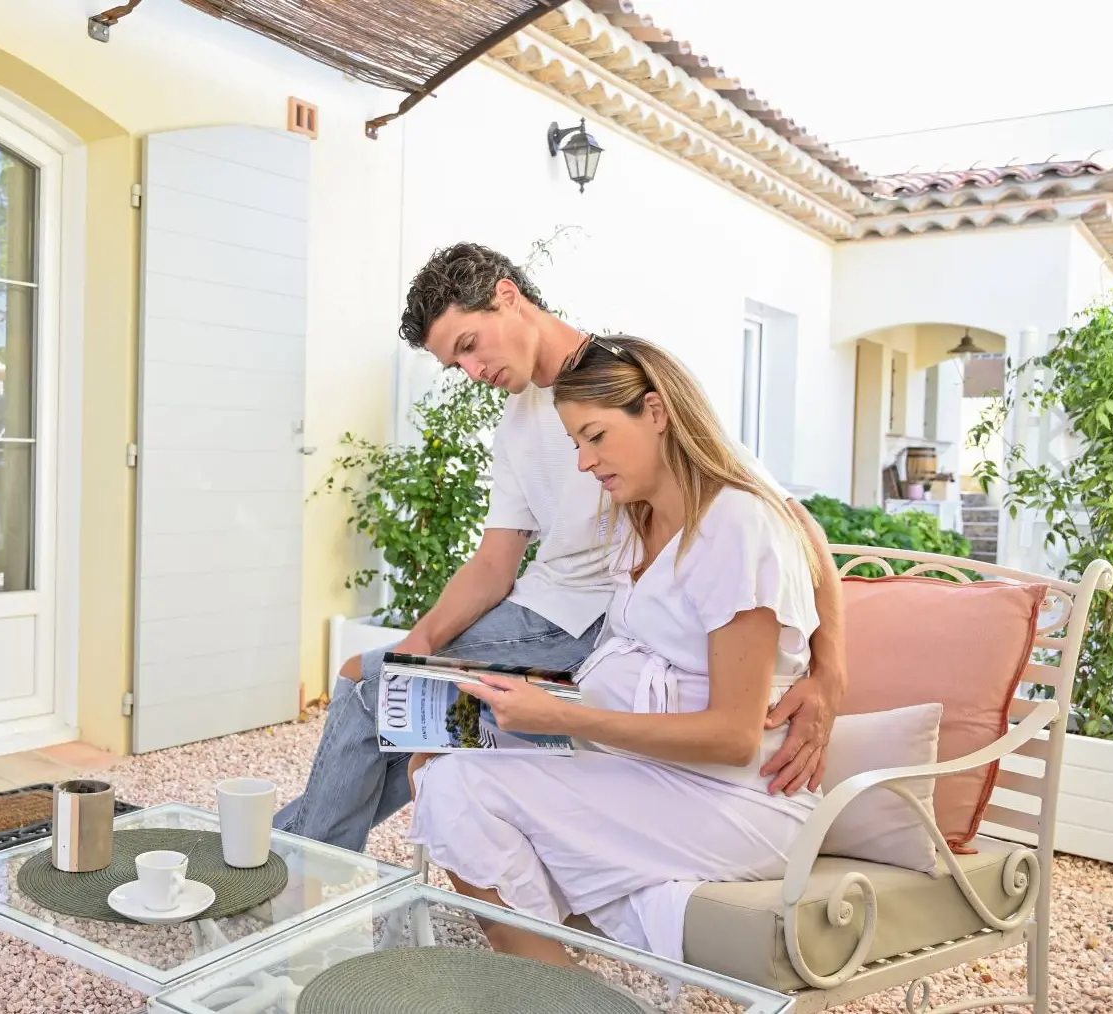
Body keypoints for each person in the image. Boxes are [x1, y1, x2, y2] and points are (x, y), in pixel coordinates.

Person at [271, 242, 845, 853]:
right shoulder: (517, 425)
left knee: (369, 686)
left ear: (507, 297)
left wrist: (831, 675)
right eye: (454, 363)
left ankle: (287, 864)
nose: (472, 371)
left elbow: (791, 520)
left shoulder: (622, 383)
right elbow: (495, 563)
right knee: (394, 695)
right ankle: (293, 852)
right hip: (537, 611)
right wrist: (423, 639)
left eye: (469, 345)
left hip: (594, 626)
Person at [405, 332, 827, 966]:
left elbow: (736, 738)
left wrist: (563, 719)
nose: (583, 463)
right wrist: (520, 709)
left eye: (595, 437)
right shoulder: (638, 519)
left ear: (656, 413)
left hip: (734, 795)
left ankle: (549, 992)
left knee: (456, 792)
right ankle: (550, 982)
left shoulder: (737, 525)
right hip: (642, 765)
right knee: (434, 759)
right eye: (576, 443)